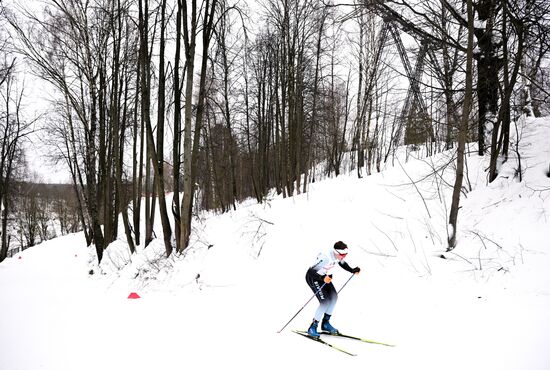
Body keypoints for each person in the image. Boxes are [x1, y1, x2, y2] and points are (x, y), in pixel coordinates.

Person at [305, 241, 360, 338]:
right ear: (336, 252)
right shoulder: (325, 257)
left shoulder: (338, 256)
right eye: (342, 254)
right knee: (325, 302)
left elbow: (342, 263)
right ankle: (312, 327)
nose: (344, 256)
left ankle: (325, 324)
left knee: (334, 297)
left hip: (324, 277)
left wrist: (352, 270)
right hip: (314, 278)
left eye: (346, 254)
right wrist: (322, 278)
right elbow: (310, 271)